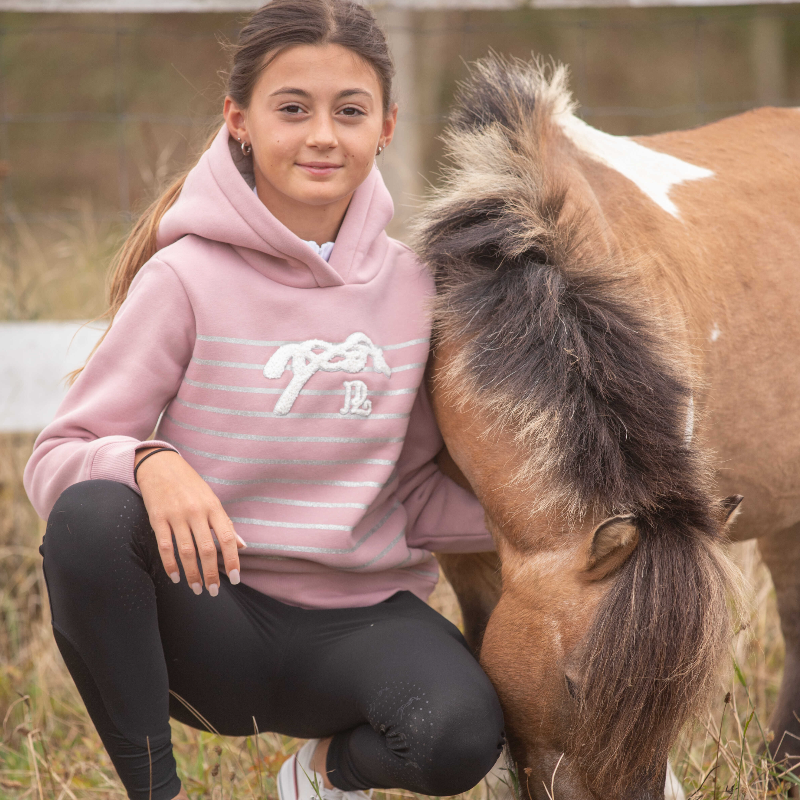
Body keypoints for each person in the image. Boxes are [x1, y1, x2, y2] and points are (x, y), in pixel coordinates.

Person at [22, 3, 506, 800]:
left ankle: (323, 774)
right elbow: (58, 458)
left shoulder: (420, 289)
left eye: (350, 111)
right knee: (90, 519)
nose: (323, 136)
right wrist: (149, 464)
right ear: (239, 120)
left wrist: (556, 519)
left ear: (386, 126)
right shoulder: (183, 278)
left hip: (361, 626)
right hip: (211, 625)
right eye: (293, 109)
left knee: (459, 738)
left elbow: (413, 489)